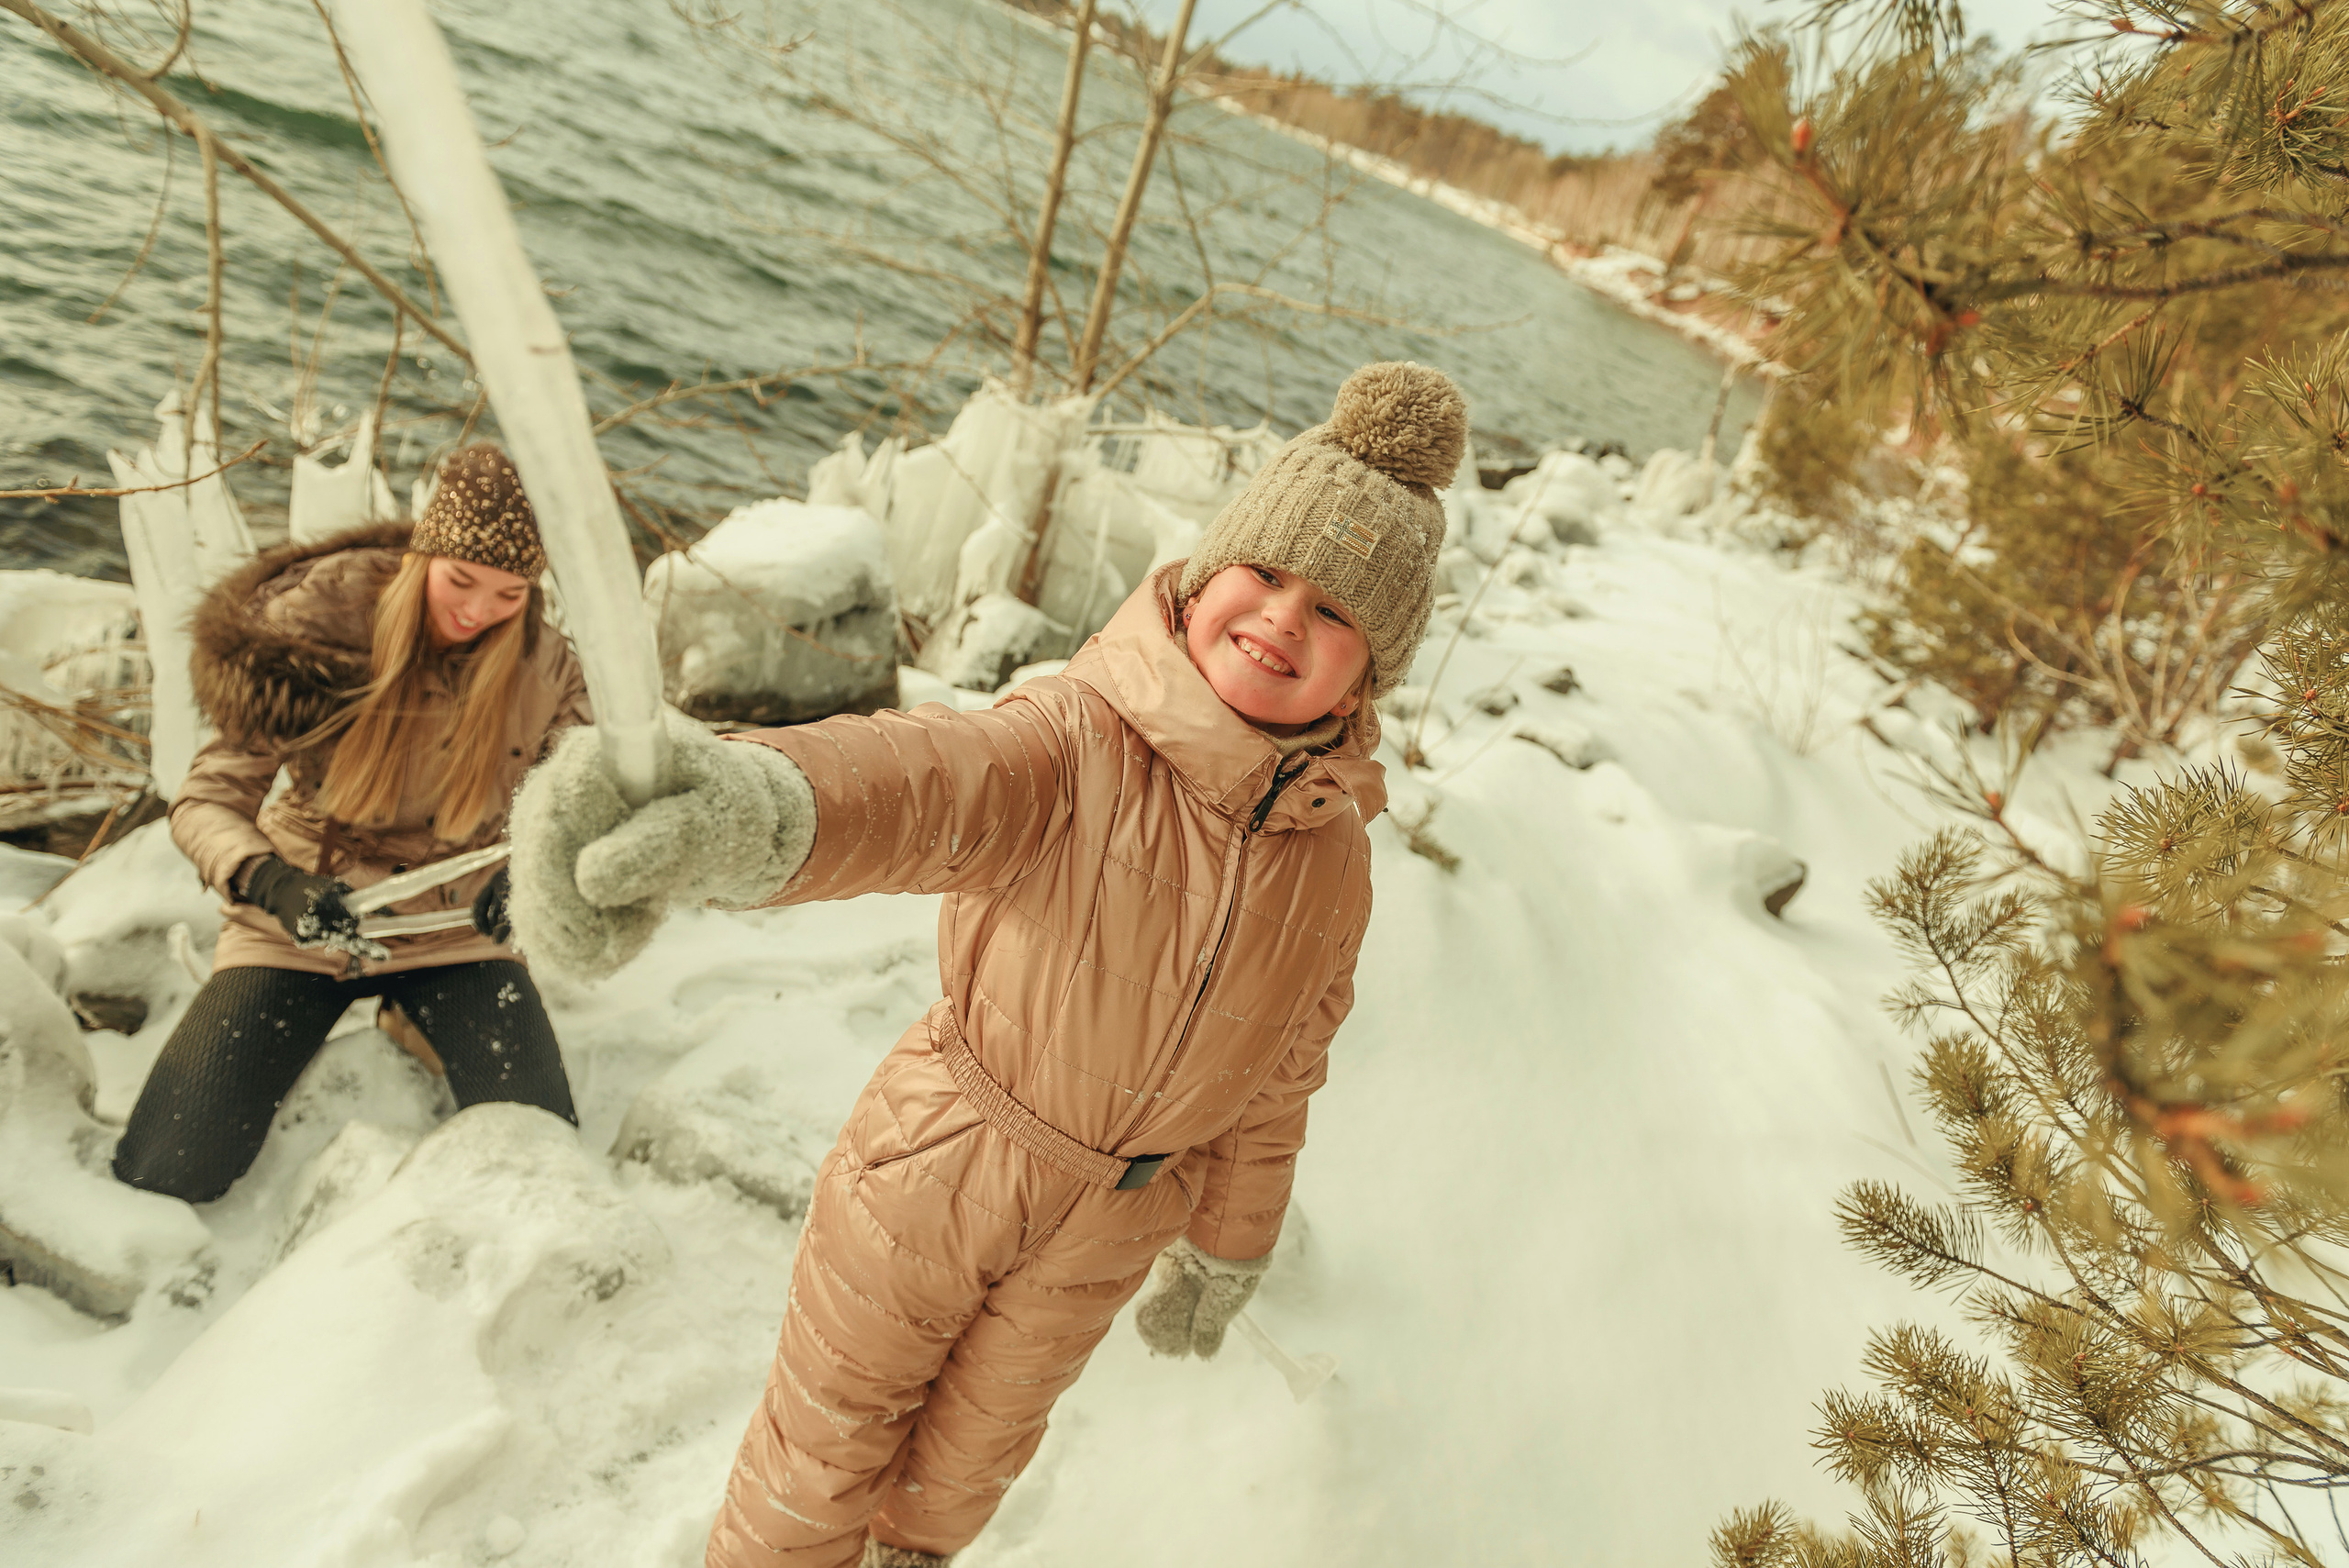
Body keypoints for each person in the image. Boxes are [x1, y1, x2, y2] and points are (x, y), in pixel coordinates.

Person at [509, 362, 1464, 1568]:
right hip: (942, 1164)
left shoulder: (1332, 861)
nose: (1284, 618)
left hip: (1112, 1223)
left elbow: (1278, 1076)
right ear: (1208, 573)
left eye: (1335, 612)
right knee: (822, 1457)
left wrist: (1231, 1238)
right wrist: (747, 807)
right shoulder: (1079, 741)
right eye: (1266, 574)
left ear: (1368, 673)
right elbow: (920, 780)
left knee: (963, 1476)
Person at [113, 444, 590, 1205]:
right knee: (166, 1169)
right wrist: (273, 883)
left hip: (455, 924)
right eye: (460, 580)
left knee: (548, 1156)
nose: (476, 610)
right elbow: (205, 799)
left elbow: (576, 798)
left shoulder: (547, 663)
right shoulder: (316, 625)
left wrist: (531, 871)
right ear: (423, 553)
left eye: (508, 594)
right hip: (307, 919)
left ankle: (417, 1014)